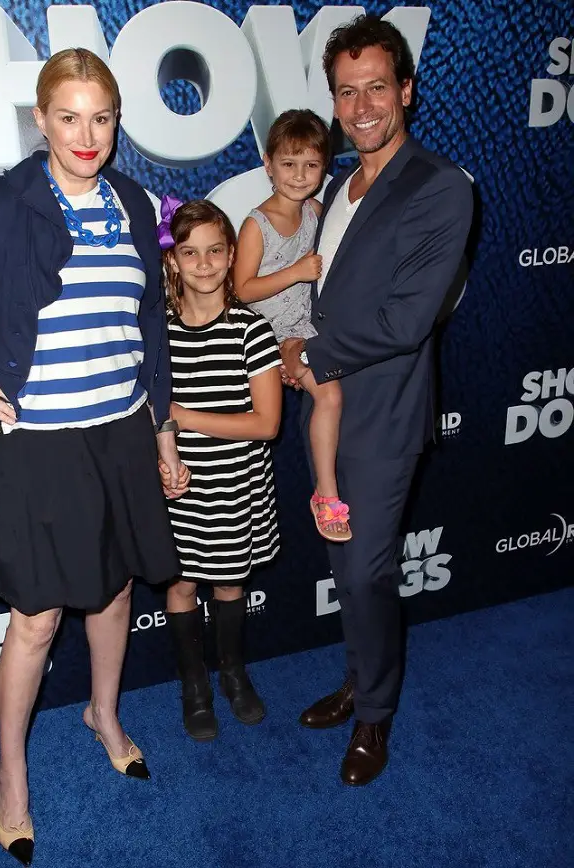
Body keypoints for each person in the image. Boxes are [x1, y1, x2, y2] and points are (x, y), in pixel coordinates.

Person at [0, 48, 189, 866]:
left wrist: (161, 430)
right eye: (68, 117)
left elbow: (150, 327)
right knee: (36, 617)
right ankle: (11, 773)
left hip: (123, 432)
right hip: (38, 446)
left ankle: (104, 713)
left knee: (117, 588)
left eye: (101, 118)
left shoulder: (133, 201)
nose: (86, 134)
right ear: (40, 119)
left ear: (116, 121)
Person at [279, 16, 474, 786]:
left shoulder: (440, 185)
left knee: (364, 571)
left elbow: (406, 319)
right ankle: (362, 676)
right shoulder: (340, 183)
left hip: (383, 414)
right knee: (345, 559)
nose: (361, 106)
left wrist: (312, 356)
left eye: (376, 89)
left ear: (406, 91)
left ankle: (375, 715)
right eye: (346, 92)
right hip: (325, 405)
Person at [157, 199, 282, 741]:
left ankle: (233, 673)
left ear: (232, 255)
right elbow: (142, 412)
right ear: (172, 261)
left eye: (214, 251)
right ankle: (194, 685)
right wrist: (162, 456)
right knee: (181, 584)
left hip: (233, 487)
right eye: (190, 252)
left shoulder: (252, 331)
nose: (203, 264)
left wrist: (184, 414)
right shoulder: (157, 336)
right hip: (176, 488)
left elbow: (266, 424)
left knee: (229, 582)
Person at [235, 110, 351, 543]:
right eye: (288, 163)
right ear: (268, 164)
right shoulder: (255, 224)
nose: (300, 175)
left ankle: (327, 488)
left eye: (311, 165)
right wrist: (297, 271)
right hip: (266, 338)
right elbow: (242, 290)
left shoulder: (318, 212)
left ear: (324, 167)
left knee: (337, 398)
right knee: (331, 396)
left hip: (308, 332)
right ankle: (326, 494)